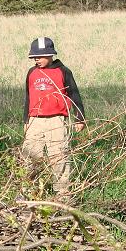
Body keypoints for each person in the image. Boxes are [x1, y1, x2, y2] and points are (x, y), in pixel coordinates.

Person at [21, 36, 85, 201]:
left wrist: (80, 117)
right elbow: (28, 97)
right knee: (30, 155)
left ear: (51, 55)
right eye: (34, 57)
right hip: (35, 120)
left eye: (40, 57)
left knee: (59, 157)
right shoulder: (32, 73)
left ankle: (62, 193)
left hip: (57, 120)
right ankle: (28, 192)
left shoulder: (63, 71)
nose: (37, 60)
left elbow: (74, 94)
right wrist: (26, 120)